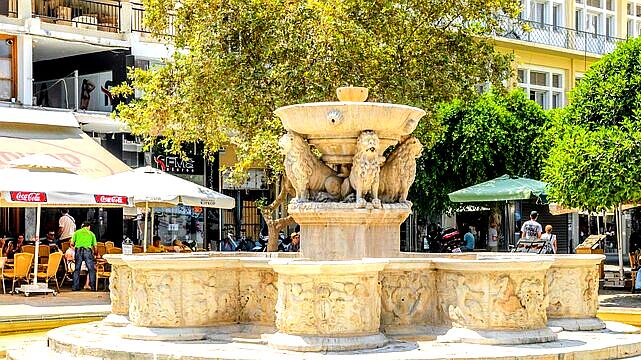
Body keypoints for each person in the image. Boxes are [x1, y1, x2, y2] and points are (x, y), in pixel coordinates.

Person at [71, 221, 97, 291]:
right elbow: (95, 246)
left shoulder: (76, 232)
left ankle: (75, 287)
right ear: (88, 226)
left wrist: (76, 247)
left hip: (78, 250)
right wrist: (96, 254)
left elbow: (72, 243)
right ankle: (93, 287)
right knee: (91, 269)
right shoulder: (91, 233)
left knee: (77, 269)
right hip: (87, 251)